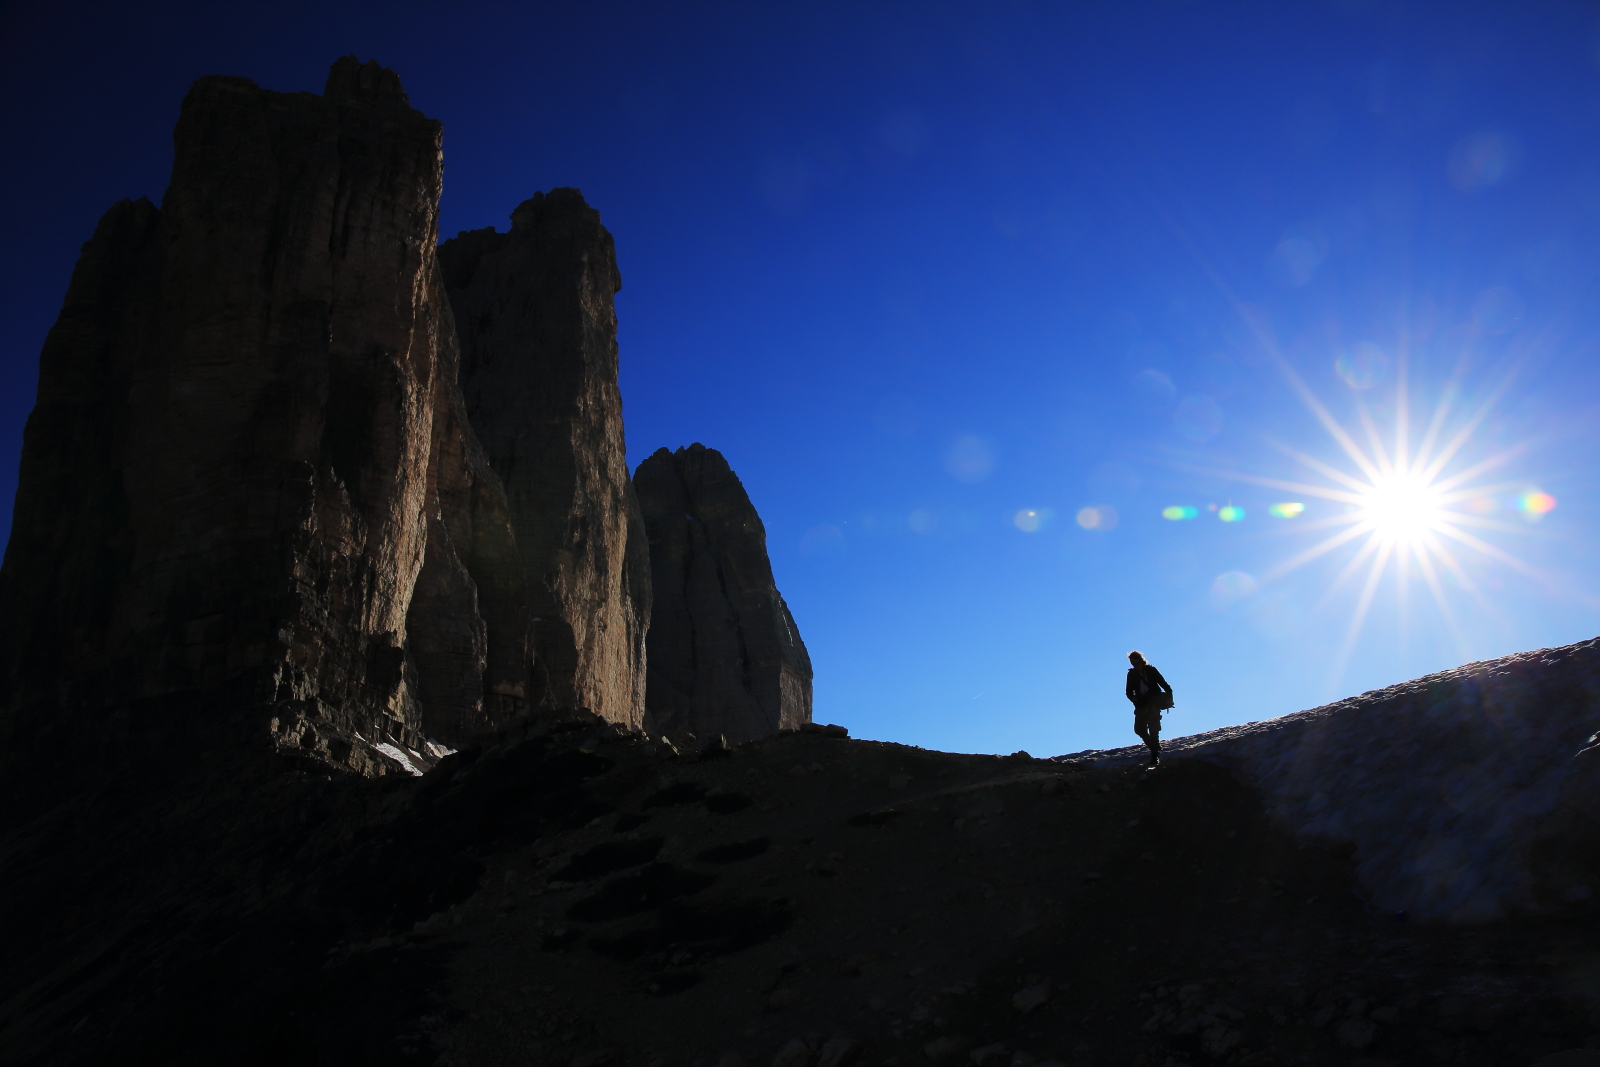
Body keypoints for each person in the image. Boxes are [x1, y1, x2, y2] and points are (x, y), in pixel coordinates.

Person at [1125, 650, 1173, 766]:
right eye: (1133, 664)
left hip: (1154, 701)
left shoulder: (1151, 670)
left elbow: (1165, 685)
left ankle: (1154, 755)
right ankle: (1155, 748)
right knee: (1139, 729)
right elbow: (1128, 692)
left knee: (1153, 727)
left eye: (1137, 664)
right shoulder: (1131, 674)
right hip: (1141, 704)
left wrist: (1169, 699)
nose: (1136, 666)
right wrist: (1134, 699)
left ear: (1142, 662)